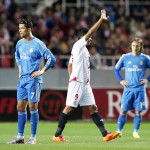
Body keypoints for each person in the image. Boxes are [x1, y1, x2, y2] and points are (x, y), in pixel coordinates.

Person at [52, 9, 120, 142]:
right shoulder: (78, 45)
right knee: (69, 108)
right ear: (84, 37)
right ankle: (56, 135)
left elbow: (70, 64)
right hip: (78, 82)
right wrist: (101, 19)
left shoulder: (83, 50)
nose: (91, 39)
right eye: (89, 37)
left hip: (85, 83)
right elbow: (90, 32)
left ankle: (105, 134)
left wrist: (71, 76)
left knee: (93, 107)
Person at [7, 19, 56, 144]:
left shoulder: (38, 44)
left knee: (33, 106)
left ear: (29, 29)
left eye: (22, 28)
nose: (19, 30)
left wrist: (41, 71)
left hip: (33, 79)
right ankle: (20, 137)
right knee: (20, 107)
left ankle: (33, 138)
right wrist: (19, 68)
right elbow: (17, 56)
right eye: (19, 28)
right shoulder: (19, 43)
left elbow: (52, 58)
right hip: (22, 79)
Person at [114, 37, 150, 138]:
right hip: (128, 89)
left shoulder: (145, 58)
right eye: (133, 46)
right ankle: (119, 131)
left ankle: (135, 132)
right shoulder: (125, 57)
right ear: (131, 46)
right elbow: (116, 69)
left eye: (137, 46)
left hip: (140, 89)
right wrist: (121, 80)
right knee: (124, 110)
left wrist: (148, 79)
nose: (135, 48)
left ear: (141, 47)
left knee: (138, 111)